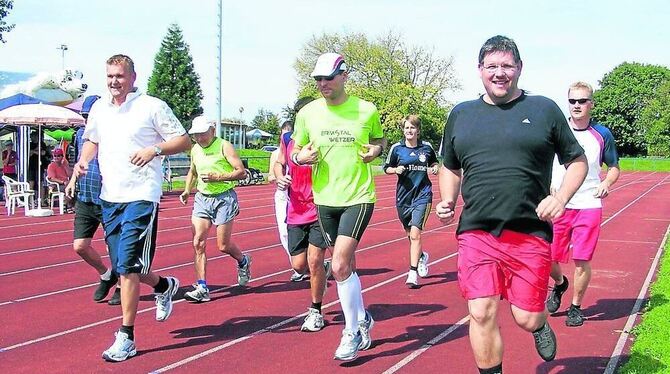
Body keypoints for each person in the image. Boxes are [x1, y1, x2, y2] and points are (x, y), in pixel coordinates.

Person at [436, 35, 588, 374]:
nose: (499, 73)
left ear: (519, 68)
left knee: (526, 316)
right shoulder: (461, 114)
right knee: (481, 311)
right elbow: (450, 164)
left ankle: (540, 324)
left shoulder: (543, 109)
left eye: (507, 65)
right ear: (479, 71)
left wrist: (560, 197)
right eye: (492, 66)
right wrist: (448, 198)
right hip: (477, 231)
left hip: (529, 231)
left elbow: (577, 161)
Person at [74, 54, 191, 362]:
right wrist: (83, 160)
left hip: (142, 195)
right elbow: (92, 140)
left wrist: (154, 149)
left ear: (133, 77)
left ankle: (126, 336)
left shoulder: (151, 106)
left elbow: (183, 140)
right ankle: (165, 285)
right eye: (110, 76)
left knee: (126, 267)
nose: (115, 81)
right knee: (128, 267)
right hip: (110, 197)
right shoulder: (99, 108)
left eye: (120, 76)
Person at [292, 52, 386, 361]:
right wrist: (300, 158)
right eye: (318, 79)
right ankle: (362, 318)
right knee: (347, 267)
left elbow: (378, 142)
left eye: (328, 78)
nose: (322, 84)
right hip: (324, 199)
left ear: (344, 76)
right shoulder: (307, 113)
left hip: (358, 197)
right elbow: (296, 150)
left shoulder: (366, 110)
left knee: (340, 265)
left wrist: (375, 152)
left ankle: (350, 332)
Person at [546, 81, 620, 327]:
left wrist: (607, 182)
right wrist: (548, 186)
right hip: (559, 204)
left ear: (591, 104)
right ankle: (559, 284)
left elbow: (614, 168)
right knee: (548, 257)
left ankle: (576, 307)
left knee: (582, 259)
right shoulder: (556, 129)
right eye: (572, 101)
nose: (576, 106)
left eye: (582, 101)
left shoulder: (602, 134)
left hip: (589, 203)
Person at [179, 115, 252, 303]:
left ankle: (243, 261)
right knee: (198, 242)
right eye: (196, 135)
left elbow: (241, 172)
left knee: (223, 245)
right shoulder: (195, 149)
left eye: (203, 134)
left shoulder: (224, 146)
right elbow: (192, 171)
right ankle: (202, 286)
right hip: (202, 198)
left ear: (212, 131)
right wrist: (187, 190)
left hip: (224, 198)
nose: (200, 138)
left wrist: (219, 177)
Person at [274, 116, 332, 332]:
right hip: (295, 209)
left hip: (319, 207)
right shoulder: (288, 138)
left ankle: (316, 311)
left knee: (315, 259)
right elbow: (280, 164)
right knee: (298, 265)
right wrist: (280, 177)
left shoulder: (325, 139)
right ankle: (320, 275)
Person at [65, 95, 121, 306]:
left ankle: (121, 287)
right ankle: (106, 275)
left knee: (115, 248)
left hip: (109, 198)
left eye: (91, 116)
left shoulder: (114, 133)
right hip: (85, 197)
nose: (88, 120)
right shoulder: (80, 135)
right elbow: (80, 161)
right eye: (85, 116)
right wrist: (71, 181)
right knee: (80, 246)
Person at [383, 115, 438, 288]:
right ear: (403, 130)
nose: (409, 131)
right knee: (409, 234)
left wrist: (435, 167)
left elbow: (434, 161)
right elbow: (386, 168)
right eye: (406, 128)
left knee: (415, 234)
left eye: (412, 128)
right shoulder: (397, 149)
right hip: (403, 197)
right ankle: (421, 256)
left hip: (423, 195)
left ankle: (412, 272)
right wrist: (394, 170)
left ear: (418, 131)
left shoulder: (426, 148)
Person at [268, 119, 304, 282]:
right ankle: (298, 266)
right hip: (283, 195)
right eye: (283, 135)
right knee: (284, 232)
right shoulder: (277, 152)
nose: (285, 137)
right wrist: (279, 178)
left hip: (300, 193)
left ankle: (306, 265)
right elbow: (272, 173)